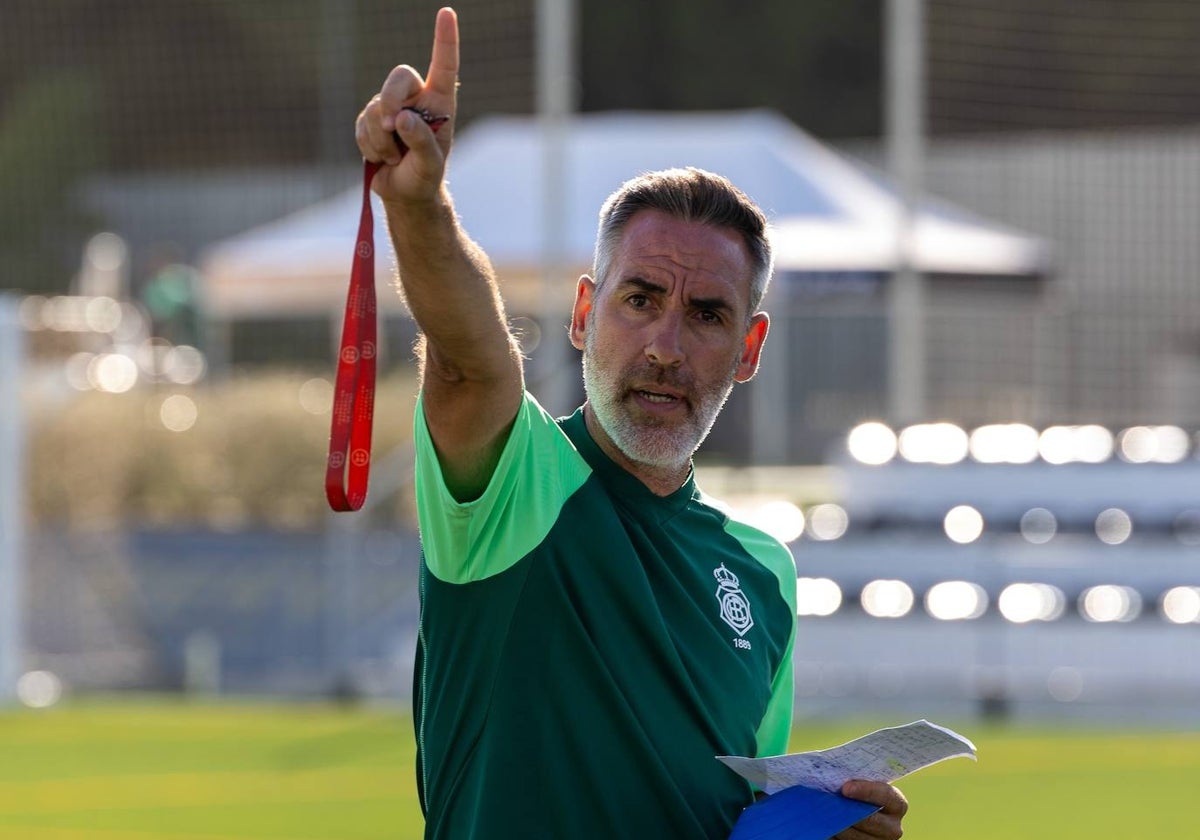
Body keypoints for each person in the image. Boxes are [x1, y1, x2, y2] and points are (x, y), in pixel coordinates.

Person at [355, 7, 908, 838]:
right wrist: (420, 207)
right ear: (584, 311)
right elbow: (470, 358)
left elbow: (735, 822)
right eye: (640, 300)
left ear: (749, 348)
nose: (665, 346)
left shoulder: (763, 574)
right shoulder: (519, 485)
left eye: (709, 315)